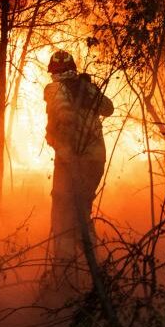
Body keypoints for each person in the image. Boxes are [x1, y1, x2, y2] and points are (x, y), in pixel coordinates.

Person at [43, 49, 113, 281]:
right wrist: (88, 90)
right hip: (95, 159)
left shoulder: (54, 89)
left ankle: (63, 275)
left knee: (63, 213)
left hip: (69, 160)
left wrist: (57, 138)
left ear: (53, 72)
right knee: (82, 211)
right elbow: (108, 108)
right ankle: (94, 270)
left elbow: (63, 116)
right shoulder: (87, 88)